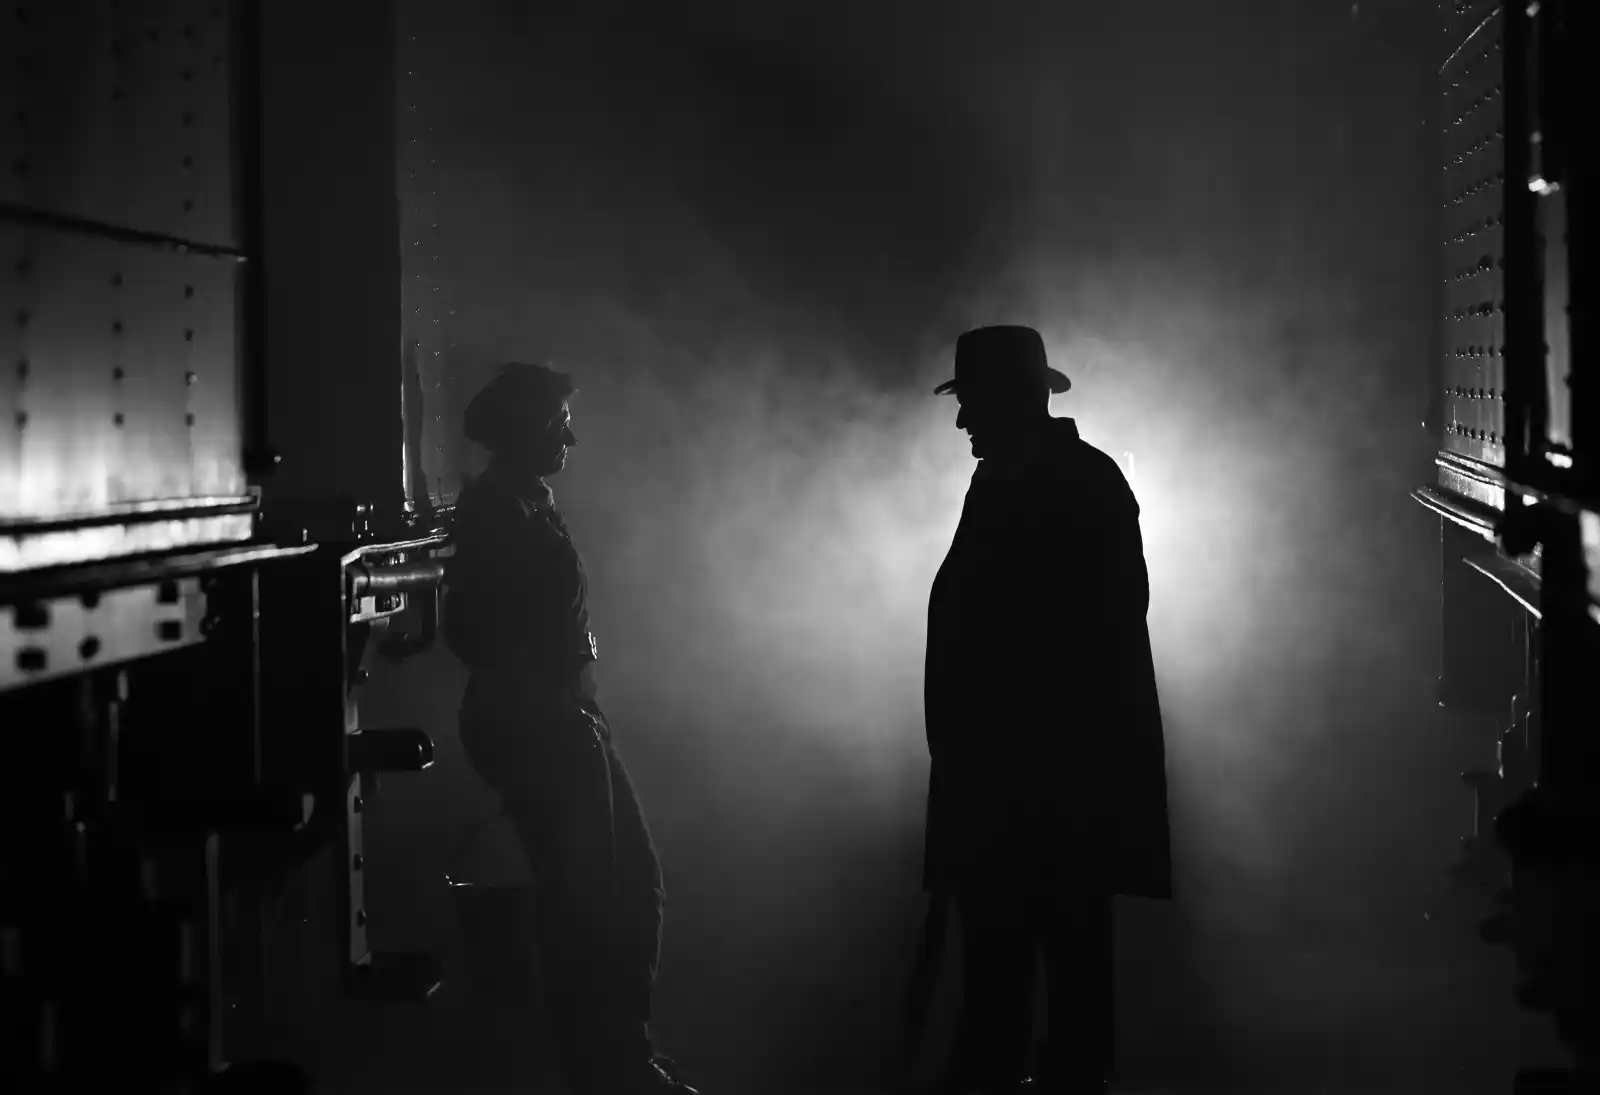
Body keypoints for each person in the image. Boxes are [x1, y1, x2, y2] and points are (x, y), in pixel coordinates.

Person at [919, 326, 1172, 1095]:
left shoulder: (1074, 484)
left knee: (1037, 961)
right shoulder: (1023, 479)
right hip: (1018, 778)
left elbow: (1087, 638)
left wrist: (997, 753)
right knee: (1039, 960)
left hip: (1044, 782)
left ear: (1010, 398)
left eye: (971, 401)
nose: (962, 420)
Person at [443, 361, 697, 1095]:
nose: (570, 438)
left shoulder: (522, 504)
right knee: (595, 900)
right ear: (524, 428)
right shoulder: (499, 513)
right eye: (558, 423)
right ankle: (608, 1066)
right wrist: (547, 687)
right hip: (541, 724)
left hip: (559, 718)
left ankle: (615, 1058)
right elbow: (475, 632)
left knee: (619, 890)